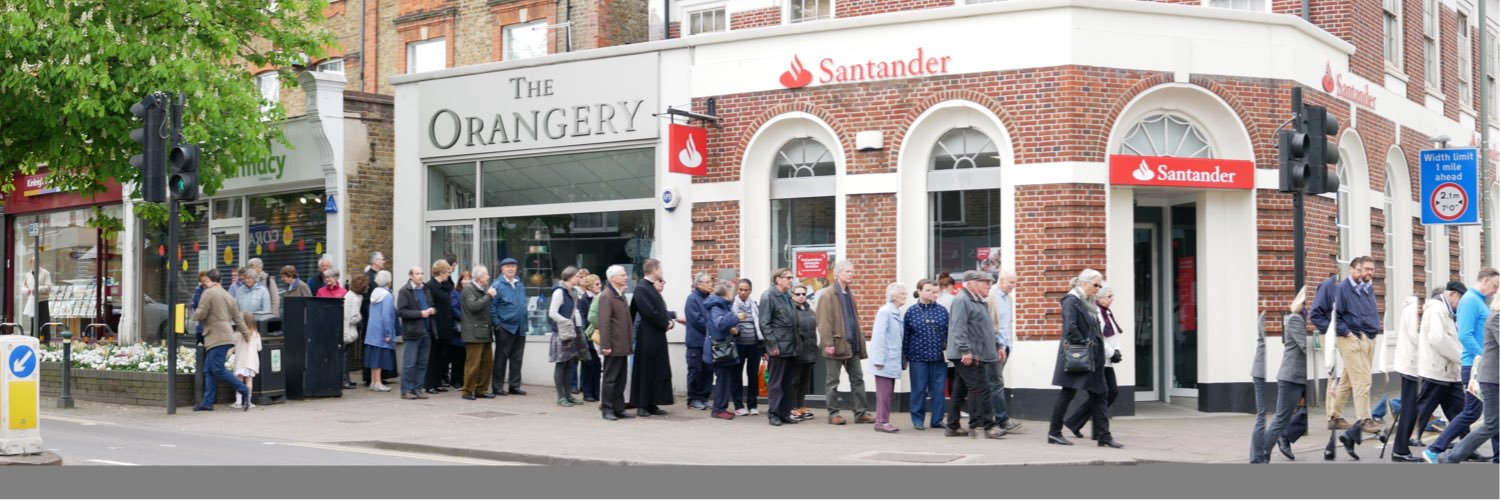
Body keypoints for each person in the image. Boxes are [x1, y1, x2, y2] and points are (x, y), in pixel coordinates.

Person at [1426, 267, 1499, 462]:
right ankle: (1436, 449)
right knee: (1473, 413)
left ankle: (1497, 455)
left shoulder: (1480, 302)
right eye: (1494, 285)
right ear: (1484, 280)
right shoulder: (1469, 300)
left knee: (1491, 416)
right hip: (1474, 365)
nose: (1495, 290)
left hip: (1482, 364)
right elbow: (1464, 335)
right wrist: (1484, 357)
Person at [1310, 256, 1382, 436]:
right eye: (1365, 269)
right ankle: (1364, 419)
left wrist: (1373, 331)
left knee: (1347, 379)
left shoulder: (1367, 289)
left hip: (1367, 336)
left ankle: (1334, 416)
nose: (1369, 273)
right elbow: (1330, 315)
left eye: (1371, 269)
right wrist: (1345, 332)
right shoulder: (1339, 288)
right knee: (1362, 380)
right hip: (1350, 337)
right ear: (1352, 269)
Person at [1048, 269, 1119, 448]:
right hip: (1078, 355)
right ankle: (1054, 433)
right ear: (1084, 283)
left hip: (1093, 356)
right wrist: (1086, 344)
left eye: (1100, 285)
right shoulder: (1071, 300)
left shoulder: (1088, 302)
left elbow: (1095, 330)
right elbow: (1070, 328)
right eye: (1096, 285)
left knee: (1100, 393)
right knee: (1068, 393)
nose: (1098, 288)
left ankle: (1104, 437)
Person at [943, 270, 1005, 439]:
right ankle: (984, 426)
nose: (988, 285)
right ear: (971, 284)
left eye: (989, 283)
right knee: (981, 388)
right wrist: (965, 350)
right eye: (985, 282)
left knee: (960, 389)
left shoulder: (978, 301)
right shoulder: (962, 300)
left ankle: (953, 426)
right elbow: (958, 328)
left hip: (975, 352)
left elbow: (986, 329)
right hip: (968, 354)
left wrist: (997, 345)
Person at [1409, 285, 1467, 460]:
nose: (1460, 305)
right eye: (1460, 300)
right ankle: (1404, 442)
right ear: (1451, 294)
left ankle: (1467, 447)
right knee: (1423, 409)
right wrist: (1461, 358)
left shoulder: (1448, 311)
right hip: (1436, 371)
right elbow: (1438, 339)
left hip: (1450, 372)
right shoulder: (1437, 310)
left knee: (1462, 411)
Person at [1260, 286, 1313, 463]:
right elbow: (1305, 346)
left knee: (1307, 411)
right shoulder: (1295, 319)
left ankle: (1286, 436)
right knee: (1281, 417)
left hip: (1302, 376)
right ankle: (1263, 451)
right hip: (1291, 376)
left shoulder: (1304, 319)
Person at [817, 260, 872, 425]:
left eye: (852, 271)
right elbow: (823, 321)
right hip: (835, 344)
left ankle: (860, 413)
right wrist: (828, 343)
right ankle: (833, 414)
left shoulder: (850, 294)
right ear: (838, 273)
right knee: (832, 381)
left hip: (852, 344)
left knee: (858, 379)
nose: (851, 274)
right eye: (848, 271)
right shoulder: (827, 294)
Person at [1065, 284, 1122, 441]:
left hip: (1108, 360)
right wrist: (1111, 352)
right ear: (1100, 297)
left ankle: (1076, 422)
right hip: (1100, 359)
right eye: (1109, 296)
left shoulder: (1107, 313)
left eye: (1112, 296)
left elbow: (1115, 334)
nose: (1112, 299)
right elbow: (1099, 338)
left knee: (1105, 394)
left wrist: (1117, 351)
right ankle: (1095, 430)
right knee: (1104, 394)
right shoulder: (1097, 312)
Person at [190, 269, 251, 411]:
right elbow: (238, 318)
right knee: (209, 370)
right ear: (221, 280)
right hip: (226, 335)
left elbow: (202, 312)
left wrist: (191, 317)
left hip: (216, 336)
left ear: (209, 280)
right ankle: (207, 402)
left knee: (217, 369)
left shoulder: (208, 293)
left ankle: (244, 389)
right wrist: (246, 334)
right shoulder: (228, 295)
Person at [630, 259, 676, 416]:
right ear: (654, 270)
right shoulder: (641, 288)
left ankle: (652, 402)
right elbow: (648, 311)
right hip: (647, 335)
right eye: (660, 269)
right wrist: (665, 322)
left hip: (656, 334)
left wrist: (669, 320)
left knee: (657, 368)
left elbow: (659, 309)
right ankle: (642, 404)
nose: (662, 272)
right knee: (646, 368)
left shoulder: (649, 287)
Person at [904, 278, 949, 430]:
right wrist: (905, 356)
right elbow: (906, 335)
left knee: (938, 390)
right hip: (918, 357)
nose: (932, 294)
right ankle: (918, 419)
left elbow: (948, 334)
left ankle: (937, 420)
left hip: (938, 357)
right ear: (919, 291)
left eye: (934, 291)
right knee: (918, 390)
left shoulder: (942, 311)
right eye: (928, 290)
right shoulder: (911, 312)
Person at [1387, 292, 1426, 462]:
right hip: (1409, 366)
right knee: (1409, 408)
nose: (1421, 309)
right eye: (1420, 305)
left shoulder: (1408, 311)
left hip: (1408, 366)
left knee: (1410, 408)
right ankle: (1400, 450)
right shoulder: (1411, 313)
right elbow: (1414, 338)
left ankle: (1401, 447)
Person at [760, 268, 800, 426]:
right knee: (776, 382)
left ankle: (785, 413)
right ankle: (774, 413)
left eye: (791, 277)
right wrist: (772, 345)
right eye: (788, 277)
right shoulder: (769, 296)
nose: (791, 280)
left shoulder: (787, 297)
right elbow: (764, 323)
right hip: (778, 347)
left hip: (790, 346)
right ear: (778, 279)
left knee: (788, 382)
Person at [868, 282, 906, 433]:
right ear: (893, 296)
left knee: (888, 393)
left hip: (892, 359)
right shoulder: (885, 312)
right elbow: (878, 336)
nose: (905, 296)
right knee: (884, 394)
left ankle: (882, 420)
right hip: (884, 360)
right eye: (902, 293)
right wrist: (878, 360)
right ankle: (882, 422)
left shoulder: (896, 312)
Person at [597, 265, 634, 421]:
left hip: (623, 345)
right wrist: (605, 345)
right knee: (610, 379)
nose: (626, 277)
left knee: (621, 379)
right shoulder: (606, 296)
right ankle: (607, 409)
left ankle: (619, 408)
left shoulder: (621, 295)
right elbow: (604, 323)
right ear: (613, 278)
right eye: (622, 275)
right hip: (612, 345)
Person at [987, 269, 1022, 432]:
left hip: (1006, 346)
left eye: (1015, 282)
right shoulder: (991, 296)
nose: (1013, 286)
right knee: (996, 382)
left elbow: (1007, 323)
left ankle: (991, 419)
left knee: (994, 382)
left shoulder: (1009, 298)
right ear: (1001, 280)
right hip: (995, 346)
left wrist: (1008, 344)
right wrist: (997, 344)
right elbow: (989, 324)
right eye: (1011, 282)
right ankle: (1001, 420)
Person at [549, 267, 588, 407]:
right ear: (569, 277)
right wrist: (566, 321)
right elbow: (552, 313)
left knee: (570, 363)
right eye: (577, 276)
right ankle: (561, 397)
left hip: (571, 331)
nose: (579, 278)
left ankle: (568, 395)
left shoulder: (573, 292)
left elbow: (574, 311)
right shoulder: (559, 291)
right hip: (561, 332)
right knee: (561, 363)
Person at [489, 257, 528, 396]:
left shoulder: (519, 284)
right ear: (502, 269)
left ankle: (514, 386)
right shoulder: (497, 285)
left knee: (517, 358)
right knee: (501, 358)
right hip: (505, 327)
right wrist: (497, 325)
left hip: (520, 327)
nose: (511, 268)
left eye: (513, 266)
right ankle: (497, 387)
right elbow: (491, 306)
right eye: (507, 266)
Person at [705, 281, 743, 420]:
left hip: (724, 347)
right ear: (726, 293)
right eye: (732, 291)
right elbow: (720, 323)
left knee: (725, 379)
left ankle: (721, 408)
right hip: (719, 349)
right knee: (722, 379)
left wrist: (735, 329)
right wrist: (736, 317)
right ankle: (718, 409)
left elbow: (725, 324)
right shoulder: (716, 306)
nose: (734, 293)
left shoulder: (723, 305)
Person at [397, 266, 435, 400]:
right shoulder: (405, 291)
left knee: (422, 363)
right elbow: (401, 311)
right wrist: (420, 313)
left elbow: (431, 303)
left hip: (426, 330)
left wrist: (432, 309)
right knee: (410, 363)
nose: (420, 276)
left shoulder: (425, 289)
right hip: (413, 332)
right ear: (411, 276)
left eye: (422, 273)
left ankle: (418, 388)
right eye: (417, 274)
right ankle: (406, 390)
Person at [459, 266, 497, 400]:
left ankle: (481, 389)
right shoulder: (468, 289)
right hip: (473, 333)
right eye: (486, 275)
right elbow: (474, 306)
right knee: (473, 364)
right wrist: (488, 296)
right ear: (480, 277)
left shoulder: (481, 290)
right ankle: (467, 391)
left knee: (487, 363)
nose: (488, 278)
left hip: (484, 332)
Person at [317, 269, 355, 389]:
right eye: (325, 277)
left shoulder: (343, 292)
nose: (327, 280)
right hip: (325, 328)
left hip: (340, 327)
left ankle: (344, 379)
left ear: (336, 278)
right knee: (326, 354)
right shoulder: (321, 291)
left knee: (343, 355)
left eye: (330, 277)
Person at [425, 260, 458, 394]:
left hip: (446, 325)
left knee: (442, 356)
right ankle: (429, 384)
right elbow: (429, 304)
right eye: (447, 272)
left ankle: (438, 382)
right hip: (436, 326)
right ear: (441, 272)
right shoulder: (430, 286)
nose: (449, 275)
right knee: (433, 355)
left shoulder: (447, 285)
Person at [683, 272, 715, 410]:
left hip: (708, 343)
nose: (710, 284)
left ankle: (703, 397)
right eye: (707, 282)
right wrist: (713, 327)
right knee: (696, 371)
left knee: (708, 371)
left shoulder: (710, 299)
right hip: (696, 343)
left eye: (711, 282)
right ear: (699, 284)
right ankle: (693, 399)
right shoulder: (692, 299)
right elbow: (697, 321)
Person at [732, 279, 764, 416]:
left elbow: (760, 325)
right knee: (737, 376)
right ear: (737, 290)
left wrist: (763, 348)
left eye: (746, 290)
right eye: (741, 289)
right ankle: (738, 405)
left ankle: (752, 405)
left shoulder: (754, 305)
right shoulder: (732, 305)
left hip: (754, 346)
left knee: (753, 376)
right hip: (738, 346)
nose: (743, 292)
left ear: (750, 290)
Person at [363, 271, 397, 393]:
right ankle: (378, 382)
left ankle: (373, 381)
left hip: (371, 330)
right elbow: (387, 316)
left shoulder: (374, 294)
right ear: (388, 281)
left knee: (373, 357)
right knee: (379, 357)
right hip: (381, 331)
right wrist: (389, 333)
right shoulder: (387, 296)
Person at [790, 285, 819, 421]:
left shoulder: (810, 311)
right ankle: (792, 407)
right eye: (798, 294)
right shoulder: (791, 310)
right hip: (797, 352)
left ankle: (800, 406)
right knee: (794, 381)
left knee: (804, 381)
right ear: (792, 295)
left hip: (809, 351)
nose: (801, 296)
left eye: (803, 294)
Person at [578, 275, 604, 403]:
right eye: (597, 284)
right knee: (589, 365)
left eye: (600, 284)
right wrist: (587, 334)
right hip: (589, 335)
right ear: (589, 286)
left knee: (597, 364)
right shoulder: (584, 300)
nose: (600, 286)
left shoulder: (599, 298)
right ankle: (587, 392)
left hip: (598, 335)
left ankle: (596, 392)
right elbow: (583, 318)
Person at [445, 271, 472, 391]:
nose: (466, 281)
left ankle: (464, 380)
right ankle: (455, 381)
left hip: (470, 331)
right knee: (457, 358)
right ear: (460, 281)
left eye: (468, 279)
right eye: (464, 279)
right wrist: (466, 318)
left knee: (466, 357)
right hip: (458, 332)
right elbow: (454, 308)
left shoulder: (473, 293)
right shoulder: (455, 293)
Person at [233, 312, 263, 409]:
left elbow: (233, 345)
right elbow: (259, 348)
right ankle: (248, 401)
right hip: (251, 362)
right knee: (249, 381)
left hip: (240, 361)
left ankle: (238, 401)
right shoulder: (256, 334)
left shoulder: (237, 334)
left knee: (239, 381)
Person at [343, 274, 367, 393]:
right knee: (347, 357)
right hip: (349, 331)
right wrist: (360, 317)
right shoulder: (356, 299)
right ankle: (345, 380)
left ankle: (346, 379)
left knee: (346, 356)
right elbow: (353, 318)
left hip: (344, 329)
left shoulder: (348, 295)